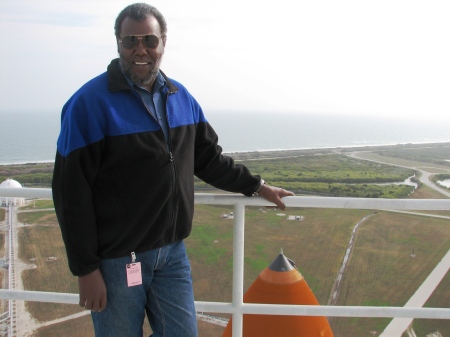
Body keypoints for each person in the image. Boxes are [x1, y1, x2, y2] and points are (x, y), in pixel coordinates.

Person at [52, 3, 294, 336]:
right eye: (130, 41)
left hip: (171, 254)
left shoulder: (180, 97)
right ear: (118, 43)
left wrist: (257, 186)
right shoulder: (89, 104)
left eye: (149, 40)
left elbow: (209, 160)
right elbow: (69, 192)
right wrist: (85, 270)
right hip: (117, 261)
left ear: (163, 42)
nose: (140, 49)